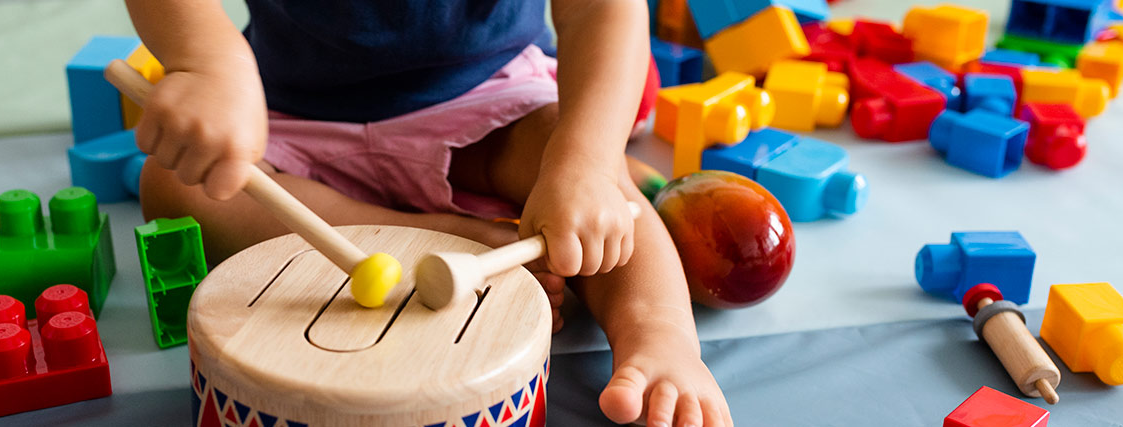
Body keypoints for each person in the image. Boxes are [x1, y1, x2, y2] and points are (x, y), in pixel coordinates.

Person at [123, 0, 731, 425]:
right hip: (289, 115)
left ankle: (658, 335)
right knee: (178, 184)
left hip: (487, 99)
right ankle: (451, 238)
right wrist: (206, 63)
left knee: (590, 178)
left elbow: (598, 8)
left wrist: (588, 163)